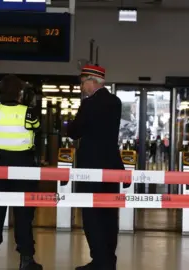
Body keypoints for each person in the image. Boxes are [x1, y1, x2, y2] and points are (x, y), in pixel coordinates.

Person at [0, 75, 43, 270]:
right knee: (23, 214)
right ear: (20, 93)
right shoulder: (29, 114)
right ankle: (26, 260)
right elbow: (36, 130)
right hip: (23, 169)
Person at [67, 65, 124, 270]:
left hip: (90, 166)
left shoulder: (89, 104)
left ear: (92, 81)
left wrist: (68, 124)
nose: (82, 87)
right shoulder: (115, 102)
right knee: (109, 214)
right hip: (111, 166)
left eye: (83, 82)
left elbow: (74, 132)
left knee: (92, 215)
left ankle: (99, 261)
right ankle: (109, 260)